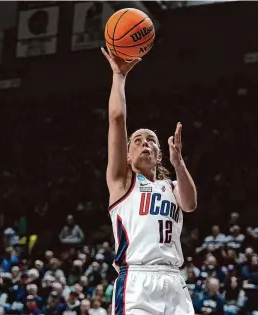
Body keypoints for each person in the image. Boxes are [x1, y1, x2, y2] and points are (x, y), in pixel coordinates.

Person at [101, 47, 197, 315]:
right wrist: (118, 76)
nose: (145, 143)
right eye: (138, 141)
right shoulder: (121, 183)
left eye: (151, 141)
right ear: (128, 156)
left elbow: (190, 205)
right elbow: (117, 120)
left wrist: (179, 164)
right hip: (137, 278)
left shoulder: (172, 187)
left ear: (159, 155)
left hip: (175, 280)